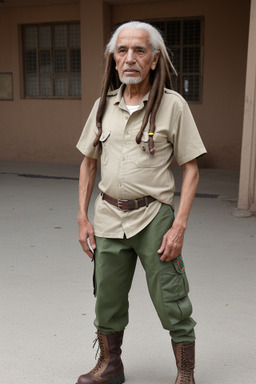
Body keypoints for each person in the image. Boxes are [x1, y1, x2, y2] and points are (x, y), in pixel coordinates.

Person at [76, 21, 206, 384]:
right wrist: (82, 219)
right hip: (107, 216)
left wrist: (179, 225)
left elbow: (191, 169)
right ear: (113, 60)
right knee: (108, 298)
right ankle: (110, 366)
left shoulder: (173, 106)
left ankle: (185, 373)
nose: (129, 58)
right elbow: (88, 162)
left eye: (139, 51)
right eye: (122, 51)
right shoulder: (103, 106)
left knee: (171, 297)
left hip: (154, 218)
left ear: (154, 60)